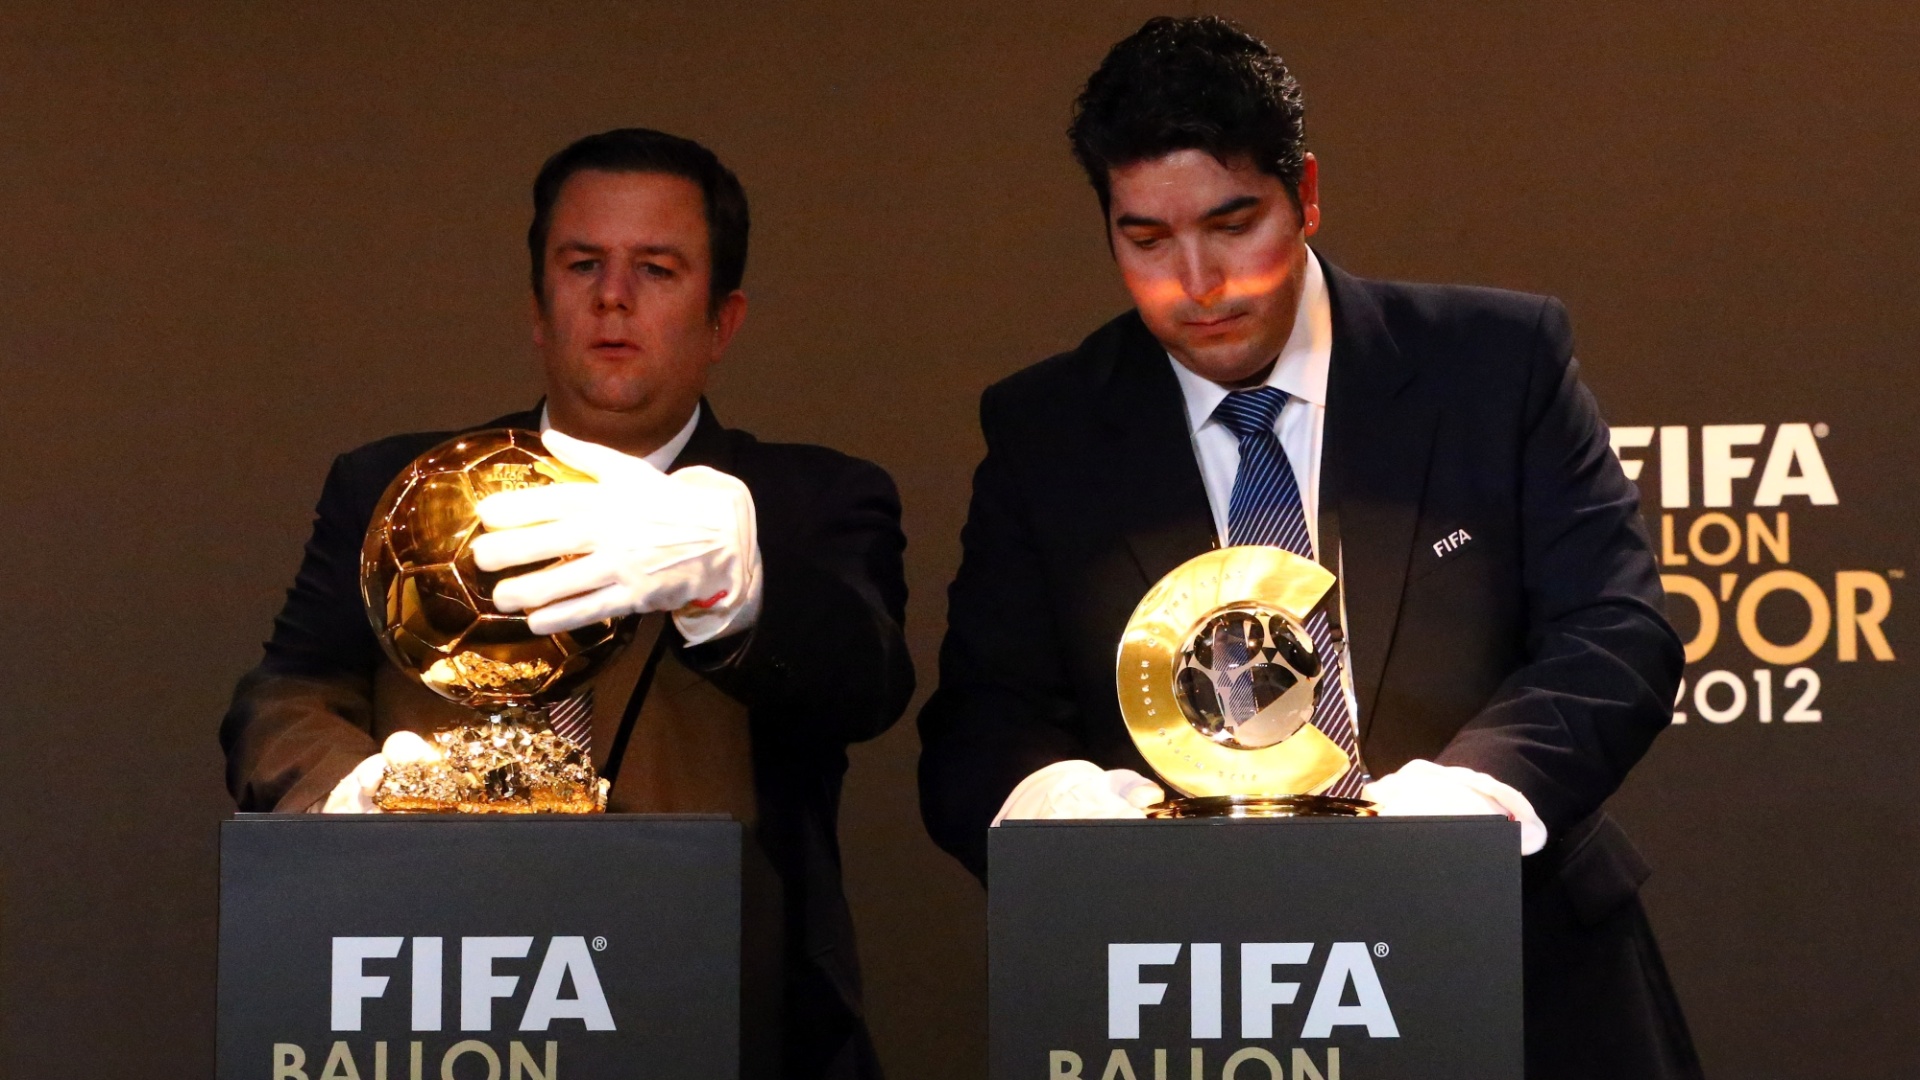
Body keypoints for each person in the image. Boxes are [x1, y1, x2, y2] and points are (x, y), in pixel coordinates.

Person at [916, 17, 1699, 1079]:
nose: (1197, 282)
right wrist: (1061, 810)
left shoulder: (1492, 365)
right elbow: (980, 722)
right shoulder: (1046, 429)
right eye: (1146, 239)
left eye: (1234, 224)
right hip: (1185, 995)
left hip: (1523, 966)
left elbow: (1617, 636)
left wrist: (1460, 812)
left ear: (1307, 194)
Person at [222, 128, 913, 1080]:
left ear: (724, 320)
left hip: (720, 1017)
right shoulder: (397, 487)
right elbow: (284, 695)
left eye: (658, 269)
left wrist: (734, 589)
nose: (613, 297)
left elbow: (865, 684)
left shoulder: (813, 500)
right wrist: (351, 794)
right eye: (582, 264)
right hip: (432, 993)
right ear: (538, 309)